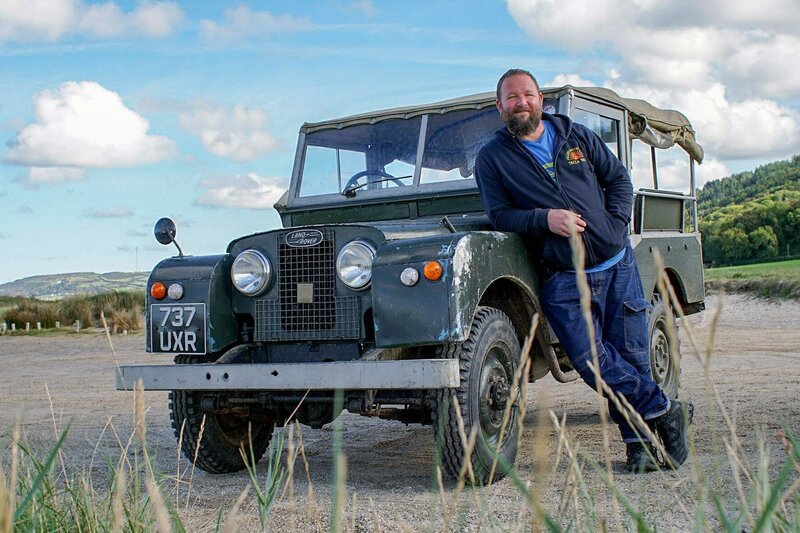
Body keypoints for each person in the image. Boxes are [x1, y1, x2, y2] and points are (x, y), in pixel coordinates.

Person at [474, 68, 690, 472]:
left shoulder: (575, 135)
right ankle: (666, 408)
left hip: (616, 263)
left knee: (632, 357)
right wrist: (545, 218)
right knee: (592, 362)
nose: (522, 103)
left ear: (541, 100)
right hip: (562, 274)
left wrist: (614, 225)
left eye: (528, 95)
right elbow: (500, 216)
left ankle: (640, 447)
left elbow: (619, 180)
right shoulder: (492, 157)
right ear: (499, 106)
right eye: (512, 97)